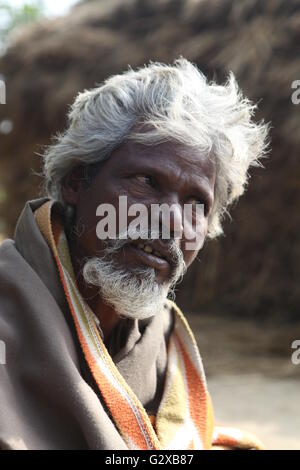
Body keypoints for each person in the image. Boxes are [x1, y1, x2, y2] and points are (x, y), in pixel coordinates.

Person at [0, 58, 268, 450]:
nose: (172, 221)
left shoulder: (161, 338)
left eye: (196, 202)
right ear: (78, 182)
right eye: (146, 181)